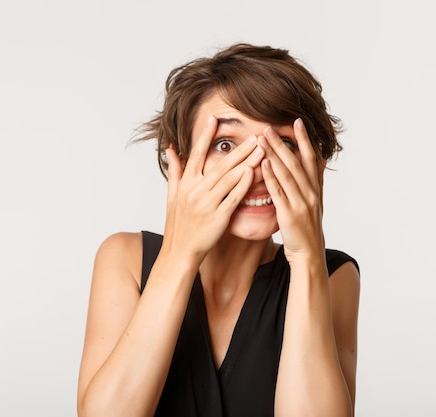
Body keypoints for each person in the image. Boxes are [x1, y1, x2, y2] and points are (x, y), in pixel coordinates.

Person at [77, 43, 361, 417]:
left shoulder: (333, 275)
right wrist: (180, 255)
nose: (257, 168)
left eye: (284, 144)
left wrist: (307, 257)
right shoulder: (125, 259)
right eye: (226, 145)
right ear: (180, 160)